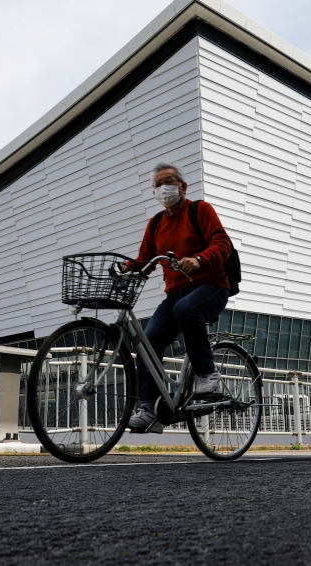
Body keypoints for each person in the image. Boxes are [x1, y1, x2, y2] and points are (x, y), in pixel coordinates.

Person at [127, 163, 233, 433]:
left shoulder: (200, 210)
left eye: (169, 181)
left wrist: (198, 260)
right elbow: (144, 261)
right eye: (157, 184)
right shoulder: (156, 223)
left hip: (211, 286)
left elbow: (222, 244)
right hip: (175, 294)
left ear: (183, 186)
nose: (163, 188)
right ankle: (149, 409)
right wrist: (125, 269)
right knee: (148, 342)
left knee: (186, 310)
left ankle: (207, 373)